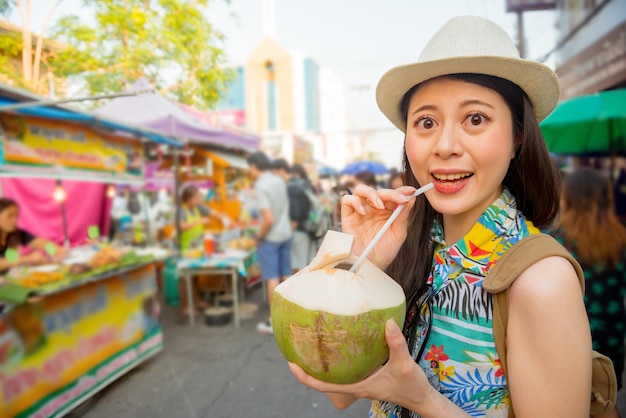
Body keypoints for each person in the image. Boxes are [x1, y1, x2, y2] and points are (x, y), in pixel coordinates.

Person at [288, 16, 593, 417]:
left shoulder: (540, 280)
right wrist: (357, 264)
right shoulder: (408, 247)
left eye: (476, 119)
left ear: (518, 136)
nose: (445, 146)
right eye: (427, 122)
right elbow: (338, 390)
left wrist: (422, 400)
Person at [551, 168, 626, 391]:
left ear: (568, 199)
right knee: (605, 401)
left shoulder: (553, 242)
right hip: (611, 337)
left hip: (569, 340)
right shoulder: (621, 239)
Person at [247, 151, 292, 334]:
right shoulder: (278, 180)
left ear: (253, 166)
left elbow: (268, 218)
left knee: (272, 279)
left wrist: (259, 236)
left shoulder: (261, 185)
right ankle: (291, 314)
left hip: (271, 237)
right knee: (286, 276)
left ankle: (274, 321)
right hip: (285, 233)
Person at [0, 198, 67, 274]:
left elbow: (41, 243)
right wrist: (27, 258)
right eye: (9, 216)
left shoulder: (15, 232)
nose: (14, 220)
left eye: (16, 216)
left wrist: (56, 250)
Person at [272, 158, 314, 273]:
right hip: (308, 230)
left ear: (281, 171)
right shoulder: (302, 184)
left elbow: (294, 216)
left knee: (296, 269)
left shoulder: (291, 188)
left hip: (298, 233)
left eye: (274, 174)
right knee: (305, 266)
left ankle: (298, 291)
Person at [178, 184, 212, 318]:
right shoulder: (181, 210)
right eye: (196, 197)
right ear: (189, 198)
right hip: (185, 250)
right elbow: (182, 226)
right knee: (185, 278)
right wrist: (199, 221)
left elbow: (210, 212)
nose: (199, 199)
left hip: (196, 248)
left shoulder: (196, 208)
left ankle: (197, 301)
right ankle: (186, 307)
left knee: (195, 276)